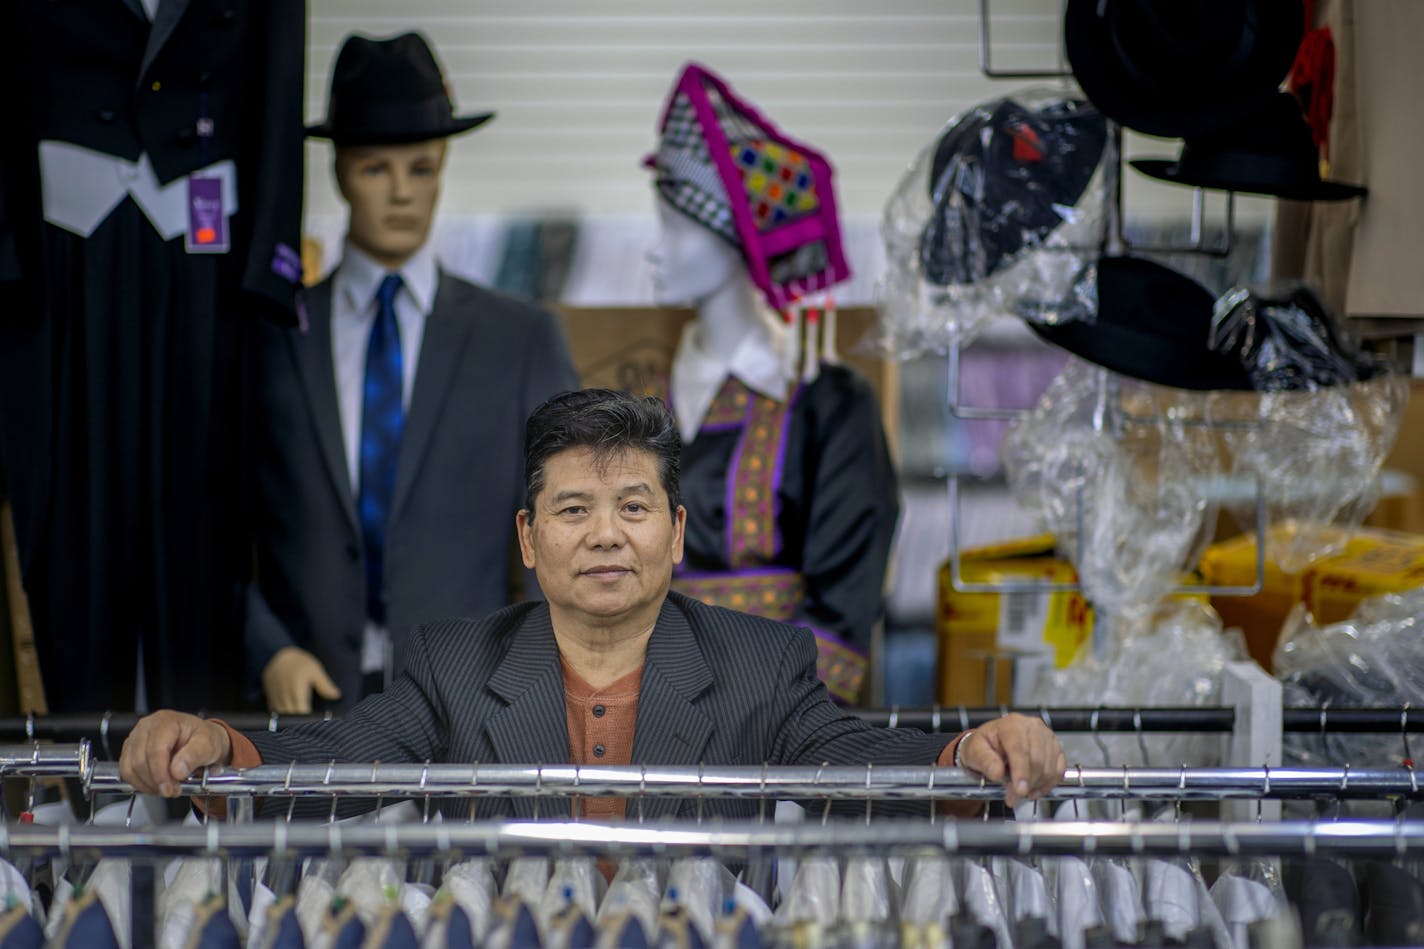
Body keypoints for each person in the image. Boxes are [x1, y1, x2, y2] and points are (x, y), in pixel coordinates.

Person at [121, 389, 1065, 818]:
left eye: (633, 507)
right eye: (574, 509)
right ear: (530, 539)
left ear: (677, 531)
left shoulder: (760, 664)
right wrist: (221, 748)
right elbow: (345, 757)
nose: (606, 535)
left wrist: (962, 752)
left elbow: (857, 759)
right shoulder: (455, 663)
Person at [244, 32, 578, 713]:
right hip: (303, 708)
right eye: (374, 168)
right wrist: (267, 645)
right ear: (338, 171)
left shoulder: (518, 338)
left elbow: (567, 526)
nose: (401, 193)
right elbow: (213, 518)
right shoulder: (270, 335)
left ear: (444, 165)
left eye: (421, 169)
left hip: (474, 709)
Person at [0, 1, 305, 712]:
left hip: (206, 262)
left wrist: (271, 268)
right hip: (62, 264)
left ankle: (195, 791)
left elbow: (280, 76)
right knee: (73, 532)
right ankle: (85, 784)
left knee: (206, 527)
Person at [644, 63, 898, 704]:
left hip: (775, 744)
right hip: (636, 730)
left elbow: (843, 607)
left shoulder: (828, 403)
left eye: (675, 229)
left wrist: (782, 753)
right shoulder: (643, 402)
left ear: (734, 238)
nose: (655, 251)